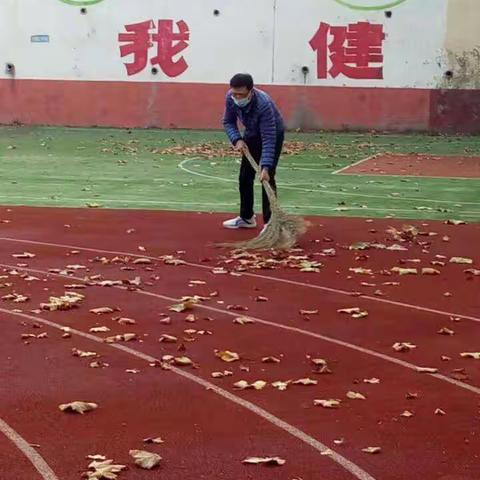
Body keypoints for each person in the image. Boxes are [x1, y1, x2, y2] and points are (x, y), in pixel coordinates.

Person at [222, 73, 285, 230]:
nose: (237, 97)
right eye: (234, 93)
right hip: (251, 131)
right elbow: (228, 121)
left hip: (273, 132)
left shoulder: (263, 105)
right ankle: (246, 217)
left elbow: (269, 138)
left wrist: (265, 166)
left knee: (267, 178)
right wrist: (237, 139)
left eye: (241, 94)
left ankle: (271, 223)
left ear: (251, 91)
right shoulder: (231, 97)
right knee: (245, 176)